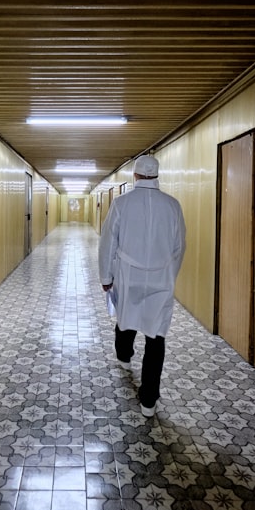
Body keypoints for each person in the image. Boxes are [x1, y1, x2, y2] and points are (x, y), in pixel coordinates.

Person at [98, 154, 186, 417]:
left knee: (126, 317)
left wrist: (106, 277)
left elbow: (108, 242)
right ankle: (149, 400)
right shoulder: (172, 205)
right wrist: (170, 273)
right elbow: (179, 245)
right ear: (157, 175)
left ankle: (124, 356)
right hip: (161, 279)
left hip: (128, 275)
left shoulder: (122, 203)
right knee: (156, 335)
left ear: (135, 176)